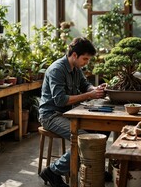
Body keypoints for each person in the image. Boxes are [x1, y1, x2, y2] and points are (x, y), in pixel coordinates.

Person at [39, 37, 107, 187]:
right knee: (84, 141)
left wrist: (95, 90)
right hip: (51, 115)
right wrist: (89, 95)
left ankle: (93, 166)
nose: (86, 63)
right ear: (74, 55)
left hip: (69, 113)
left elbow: (85, 85)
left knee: (102, 130)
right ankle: (53, 171)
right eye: (85, 59)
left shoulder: (76, 69)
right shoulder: (57, 69)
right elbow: (60, 100)